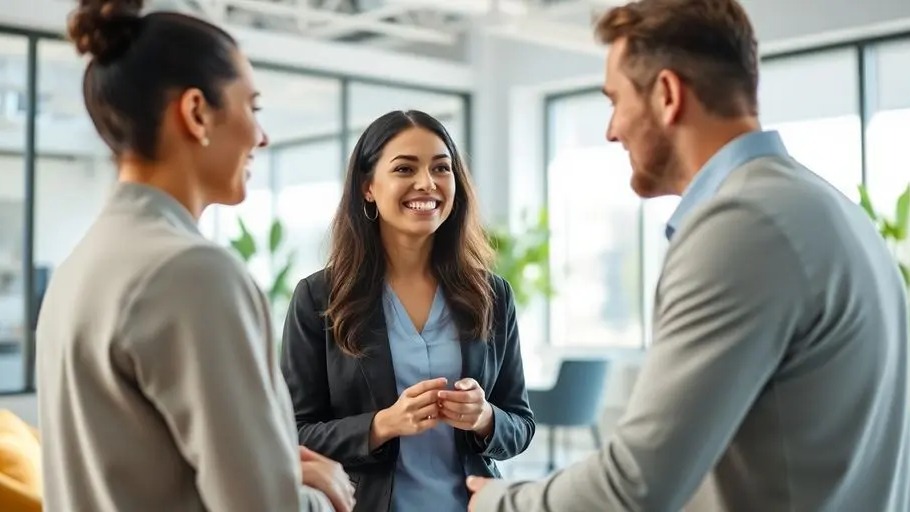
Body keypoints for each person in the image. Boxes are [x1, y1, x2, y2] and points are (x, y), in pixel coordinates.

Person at [467, 1, 910, 511]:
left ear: (666, 94)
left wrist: (498, 502)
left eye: (615, 101)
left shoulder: (743, 225)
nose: (612, 130)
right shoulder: (826, 208)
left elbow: (634, 486)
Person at [35, 1, 353, 511]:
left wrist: (271, 463)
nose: (262, 136)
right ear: (197, 113)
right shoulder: (192, 272)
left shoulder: (80, 268)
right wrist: (321, 488)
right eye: (253, 107)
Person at [281, 110, 535, 512]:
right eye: (405, 168)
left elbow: (520, 423)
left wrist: (485, 416)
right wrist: (382, 425)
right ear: (368, 186)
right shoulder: (319, 297)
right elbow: (291, 433)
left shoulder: (492, 294)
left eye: (441, 168)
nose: (427, 183)